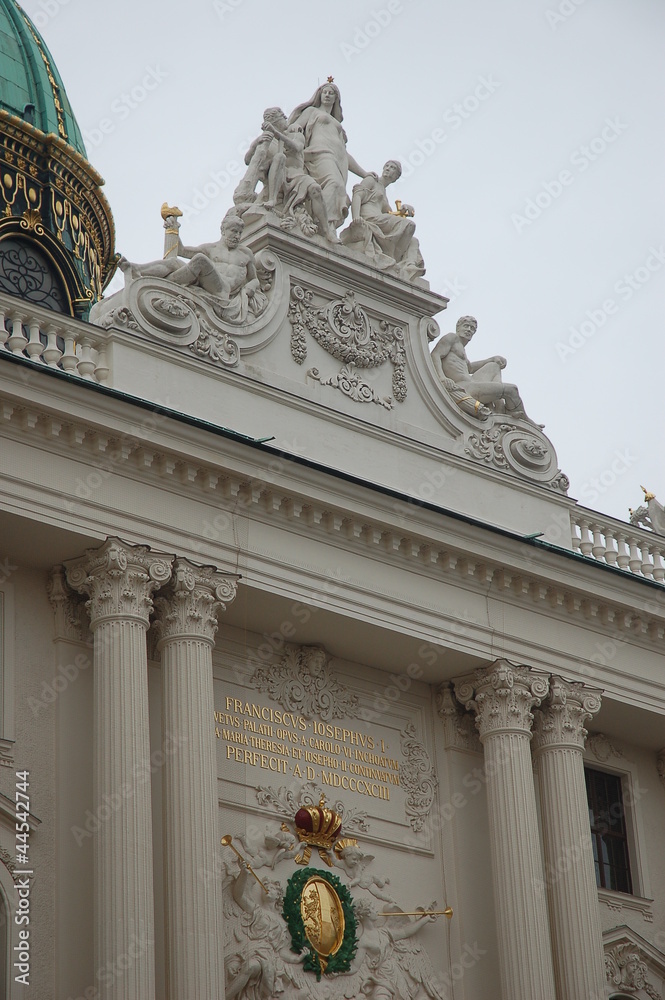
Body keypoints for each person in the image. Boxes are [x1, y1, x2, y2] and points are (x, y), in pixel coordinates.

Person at [118, 209, 267, 322]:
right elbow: (181, 251)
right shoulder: (211, 248)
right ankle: (136, 269)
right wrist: (174, 229)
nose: (237, 236)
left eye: (240, 232)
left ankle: (165, 283)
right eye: (234, 231)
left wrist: (251, 287)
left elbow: (254, 279)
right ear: (223, 230)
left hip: (223, 290)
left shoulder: (246, 253)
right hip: (206, 281)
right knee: (173, 262)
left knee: (200, 260)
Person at [288, 80, 370, 229]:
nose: (327, 95)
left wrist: (364, 174)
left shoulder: (337, 123)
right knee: (334, 183)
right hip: (319, 152)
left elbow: (345, 154)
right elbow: (297, 125)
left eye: (331, 93)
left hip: (338, 159)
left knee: (339, 189)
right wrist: (294, 127)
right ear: (319, 95)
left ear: (336, 99)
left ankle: (328, 226)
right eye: (324, 92)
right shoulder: (312, 111)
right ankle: (320, 222)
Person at [431, 316, 536, 423]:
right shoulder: (451, 338)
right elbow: (435, 354)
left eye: (472, 328)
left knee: (494, 366)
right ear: (458, 327)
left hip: (471, 383)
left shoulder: (461, 350)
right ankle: (523, 419)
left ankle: (499, 405)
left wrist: (492, 359)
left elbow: (469, 368)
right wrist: (442, 377)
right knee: (512, 390)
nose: (469, 330)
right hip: (463, 387)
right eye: (466, 326)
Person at [341, 160, 425, 279]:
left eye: (392, 168)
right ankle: (392, 259)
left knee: (413, 241)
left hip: (380, 220)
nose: (388, 168)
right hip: (370, 219)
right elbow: (357, 195)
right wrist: (356, 218)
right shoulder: (372, 180)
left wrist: (404, 209)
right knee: (409, 225)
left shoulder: (384, 193)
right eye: (387, 166)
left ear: (396, 177)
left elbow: (390, 214)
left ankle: (409, 265)